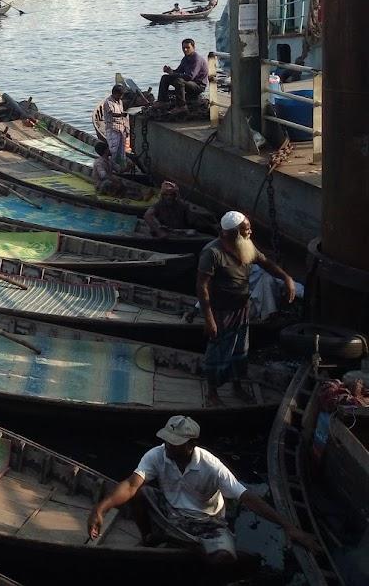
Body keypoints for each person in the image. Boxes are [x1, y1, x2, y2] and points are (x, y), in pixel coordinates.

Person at [87, 415, 316, 563]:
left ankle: (187, 546)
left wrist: (287, 526)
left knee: (223, 560)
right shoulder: (157, 455)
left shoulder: (211, 466)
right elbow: (130, 484)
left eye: (174, 443)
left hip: (206, 523)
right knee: (139, 493)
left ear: (191, 444)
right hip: (171, 512)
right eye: (166, 440)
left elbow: (247, 498)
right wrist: (101, 508)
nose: (167, 446)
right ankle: (149, 537)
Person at [198, 212, 295, 405]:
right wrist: (209, 319)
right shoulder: (212, 253)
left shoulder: (246, 246)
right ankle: (212, 393)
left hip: (241, 308)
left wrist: (287, 278)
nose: (250, 232)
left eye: (249, 228)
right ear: (232, 233)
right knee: (217, 352)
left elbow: (266, 263)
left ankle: (237, 386)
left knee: (240, 350)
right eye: (246, 229)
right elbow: (202, 287)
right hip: (220, 310)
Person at [158, 38, 208, 108]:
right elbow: (178, 72)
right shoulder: (185, 59)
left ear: (193, 47)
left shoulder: (196, 59)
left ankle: (181, 106)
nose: (185, 50)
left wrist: (173, 74)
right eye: (183, 48)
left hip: (198, 86)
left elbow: (190, 77)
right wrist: (170, 71)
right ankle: (162, 101)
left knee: (179, 81)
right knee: (165, 78)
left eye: (188, 48)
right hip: (189, 83)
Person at [101, 84, 131, 168]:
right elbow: (112, 113)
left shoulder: (120, 101)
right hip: (113, 129)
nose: (121, 97)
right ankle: (111, 167)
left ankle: (121, 167)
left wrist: (127, 129)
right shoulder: (108, 102)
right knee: (113, 150)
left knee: (122, 151)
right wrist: (122, 114)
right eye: (120, 95)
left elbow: (123, 116)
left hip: (122, 129)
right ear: (115, 93)